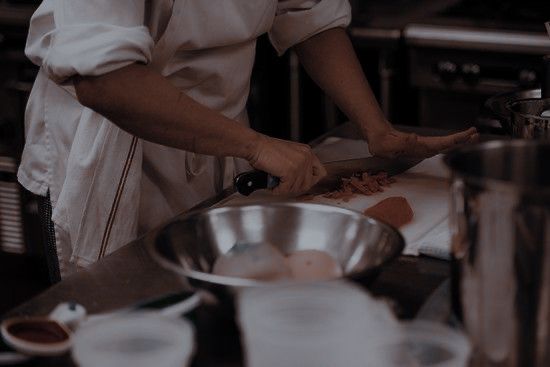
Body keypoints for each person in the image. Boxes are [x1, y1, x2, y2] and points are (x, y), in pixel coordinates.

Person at [19, 0, 478, 280]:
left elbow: (307, 13)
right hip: (116, 144)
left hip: (219, 140)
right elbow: (104, 80)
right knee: (123, 323)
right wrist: (256, 146)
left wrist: (375, 128)